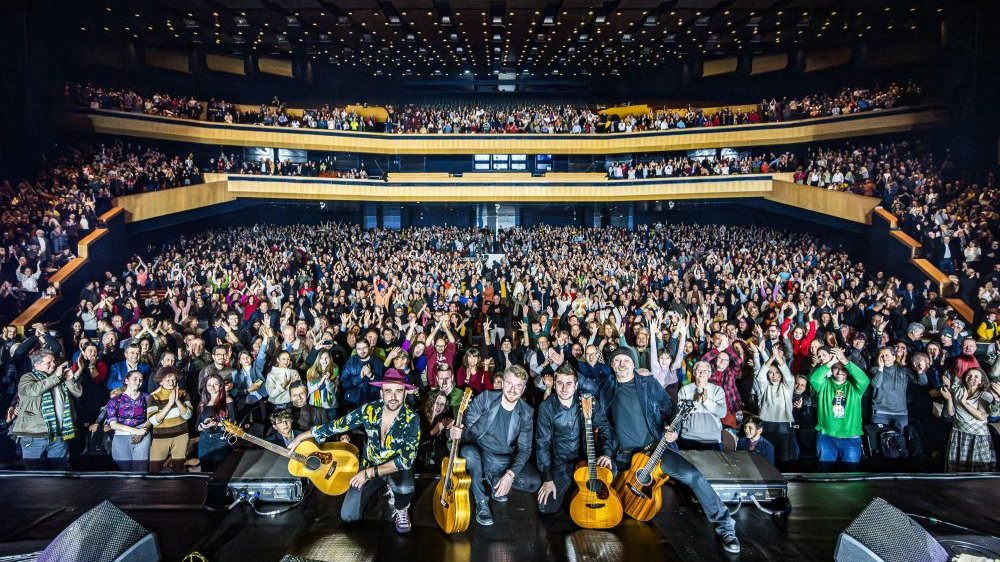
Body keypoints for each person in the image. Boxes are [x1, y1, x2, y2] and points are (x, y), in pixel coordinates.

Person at [597, 349, 739, 554]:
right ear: (611, 364)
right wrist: (606, 452)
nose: (621, 363)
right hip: (624, 456)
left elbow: (672, 410)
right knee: (605, 504)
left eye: (625, 359)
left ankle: (725, 526)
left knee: (693, 476)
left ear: (633, 362)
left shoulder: (648, 384)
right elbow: (606, 427)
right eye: (616, 360)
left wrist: (675, 430)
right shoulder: (606, 388)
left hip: (655, 449)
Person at [288, 369, 420, 534]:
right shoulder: (369, 410)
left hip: (395, 468)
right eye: (388, 391)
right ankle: (382, 486)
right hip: (369, 465)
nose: (393, 396)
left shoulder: (412, 418)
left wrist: (367, 474)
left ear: (405, 393)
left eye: (398, 391)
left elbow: (406, 460)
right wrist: (304, 435)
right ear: (381, 393)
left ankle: (401, 507)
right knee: (348, 517)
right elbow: (339, 424)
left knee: (405, 486)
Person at [450, 366, 541, 527]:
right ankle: (481, 501)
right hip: (479, 452)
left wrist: (510, 475)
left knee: (533, 482)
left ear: (523, 389)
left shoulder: (526, 413)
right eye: (509, 384)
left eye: (518, 385)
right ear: (503, 383)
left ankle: (496, 478)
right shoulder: (486, 397)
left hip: (503, 459)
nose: (513, 390)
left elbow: (525, 449)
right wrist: (456, 432)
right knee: (469, 454)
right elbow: (466, 424)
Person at [535, 365, 614, 515]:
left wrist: (606, 453)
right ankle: (572, 490)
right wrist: (547, 478)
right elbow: (542, 444)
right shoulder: (546, 407)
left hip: (586, 460)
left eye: (569, 383)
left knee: (612, 469)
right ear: (554, 383)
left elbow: (605, 427)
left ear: (576, 385)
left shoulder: (588, 400)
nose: (564, 388)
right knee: (546, 507)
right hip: (560, 463)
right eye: (560, 383)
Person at [12, 350, 82, 470]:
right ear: (37, 365)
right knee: (36, 476)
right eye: (49, 362)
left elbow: (78, 393)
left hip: (59, 435)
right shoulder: (28, 377)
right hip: (34, 436)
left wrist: (69, 379)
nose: (53, 364)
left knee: (61, 472)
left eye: (54, 361)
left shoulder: (59, 377)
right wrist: (56, 377)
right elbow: (32, 390)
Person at [809, 348, 870, 470]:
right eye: (836, 368)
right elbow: (813, 379)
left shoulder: (856, 387)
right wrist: (831, 361)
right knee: (824, 474)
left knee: (851, 476)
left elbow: (864, 379)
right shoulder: (824, 384)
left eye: (843, 369)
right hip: (827, 436)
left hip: (851, 437)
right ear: (831, 369)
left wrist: (844, 361)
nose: (840, 371)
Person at [941, 368, 998, 472]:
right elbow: (951, 413)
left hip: (977, 436)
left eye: (976, 377)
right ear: (965, 378)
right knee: (957, 467)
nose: (972, 378)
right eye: (969, 375)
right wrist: (949, 399)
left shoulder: (985, 395)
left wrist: (964, 402)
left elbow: (981, 416)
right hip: (958, 432)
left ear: (981, 380)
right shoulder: (958, 390)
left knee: (977, 467)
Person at [147, 367, 193, 472]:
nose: (171, 382)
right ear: (161, 381)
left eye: (173, 379)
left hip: (181, 435)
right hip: (161, 437)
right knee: (154, 468)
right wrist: (170, 403)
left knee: (179, 467)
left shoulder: (183, 393)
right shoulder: (154, 397)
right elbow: (153, 421)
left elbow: (188, 415)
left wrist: (177, 400)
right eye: (167, 380)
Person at [106, 370, 152, 472]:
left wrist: (142, 430)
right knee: (125, 470)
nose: (138, 382)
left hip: (142, 435)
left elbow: (152, 418)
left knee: (140, 470)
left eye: (140, 380)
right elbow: (113, 424)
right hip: (121, 436)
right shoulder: (115, 400)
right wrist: (135, 431)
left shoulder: (147, 397)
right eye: (134, 379)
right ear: (126, 381)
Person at [676, 360, 727, 450]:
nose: (702, 373)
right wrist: (696, 403)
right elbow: (680, 414)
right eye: (699, 370)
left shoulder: (717, 390)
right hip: (688, 438)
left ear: (709, 374)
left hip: (712, 440)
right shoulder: (684, 390)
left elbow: (722, 413)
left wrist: (706, 401)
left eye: (705, 371)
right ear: (694, 373)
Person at [197, 373, 236, 471]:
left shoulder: (228, 400)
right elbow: (197, 427)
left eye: (215, 384)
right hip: (204, 440)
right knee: (205, 471)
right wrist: (203, 426)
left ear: (221, 385)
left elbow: (234, 424)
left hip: (221, 440)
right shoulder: (203, 403)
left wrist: (219, 424)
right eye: (209, 385)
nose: (212, 387)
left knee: (220, 471)